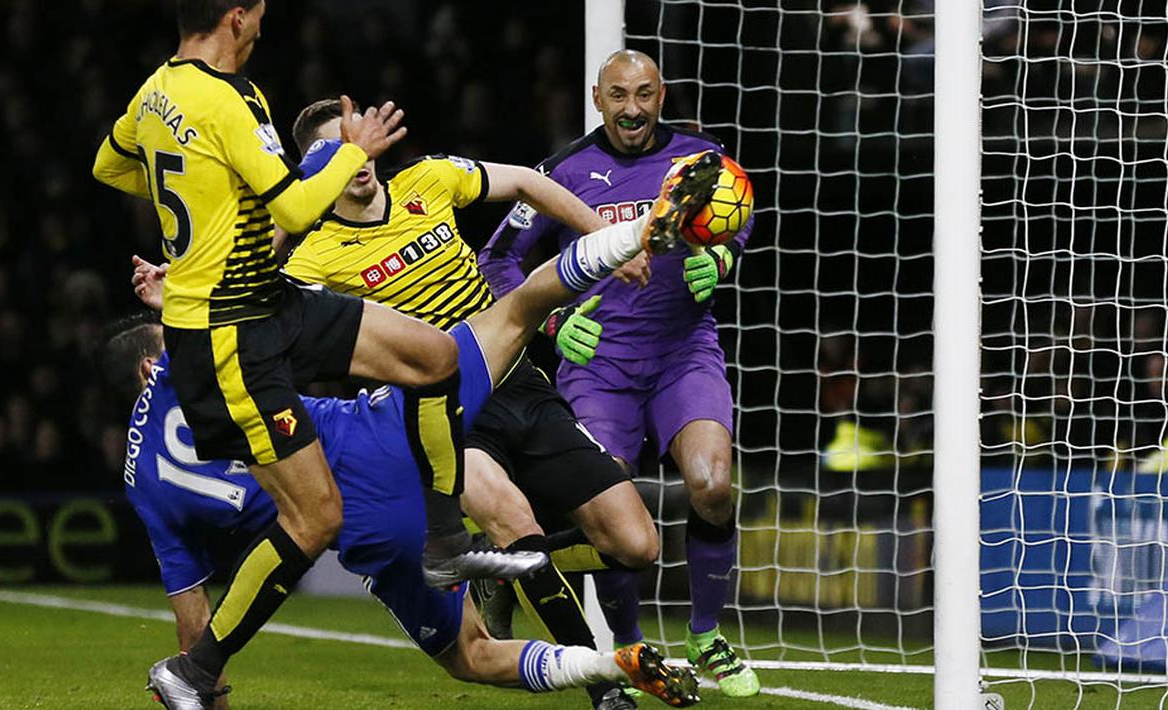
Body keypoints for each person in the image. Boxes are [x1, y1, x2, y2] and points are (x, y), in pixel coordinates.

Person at [115, 155, 721, 708]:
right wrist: (178, 289)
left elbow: (192, 621)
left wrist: (201, 674)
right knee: (519, 309)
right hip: (387, 435)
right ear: (152, 362)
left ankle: (606, 665)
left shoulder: (147, 484)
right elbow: (228, 290)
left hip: (372, 534)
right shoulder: (194, 350)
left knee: (473, 658)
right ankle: (636, 233)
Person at [92, 2, 543, 705]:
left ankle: (443, 539)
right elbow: (298, 212)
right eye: (260, 11)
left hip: (268, 302)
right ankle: (194, 670)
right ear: (236, 18)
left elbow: (111, 165)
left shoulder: (154, 92)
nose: (266, 21)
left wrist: (203, 203)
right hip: (228, 327)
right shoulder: (232, 99)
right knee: (315, 520)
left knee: (432, 356)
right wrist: (355, 150)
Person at [286, 98, 662, 709]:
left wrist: (603, 234)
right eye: (338, 148)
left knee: (636, 544)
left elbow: (528, 181)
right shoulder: (313, 258)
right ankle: (603, 686)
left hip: (517, 380)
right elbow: (265, 320)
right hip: (442, 415)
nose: (357, 157)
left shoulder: (427, 180)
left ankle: (504, 569)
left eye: (361, 140)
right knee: (518, 522)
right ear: (315, 168)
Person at [478, 49, 761, 698]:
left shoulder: (702, 159)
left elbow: (737, 220)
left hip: (684, 351)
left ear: (661, 95)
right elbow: (497, 259)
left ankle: (706, 635)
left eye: (643, 94)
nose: (631, 108)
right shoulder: (562, 171)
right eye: (617, 95)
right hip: (596, 364)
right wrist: (549, 323)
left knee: (712, 484)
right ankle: (627, 645)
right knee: (615, 507)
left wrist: (720, 260)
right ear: (596, 98)